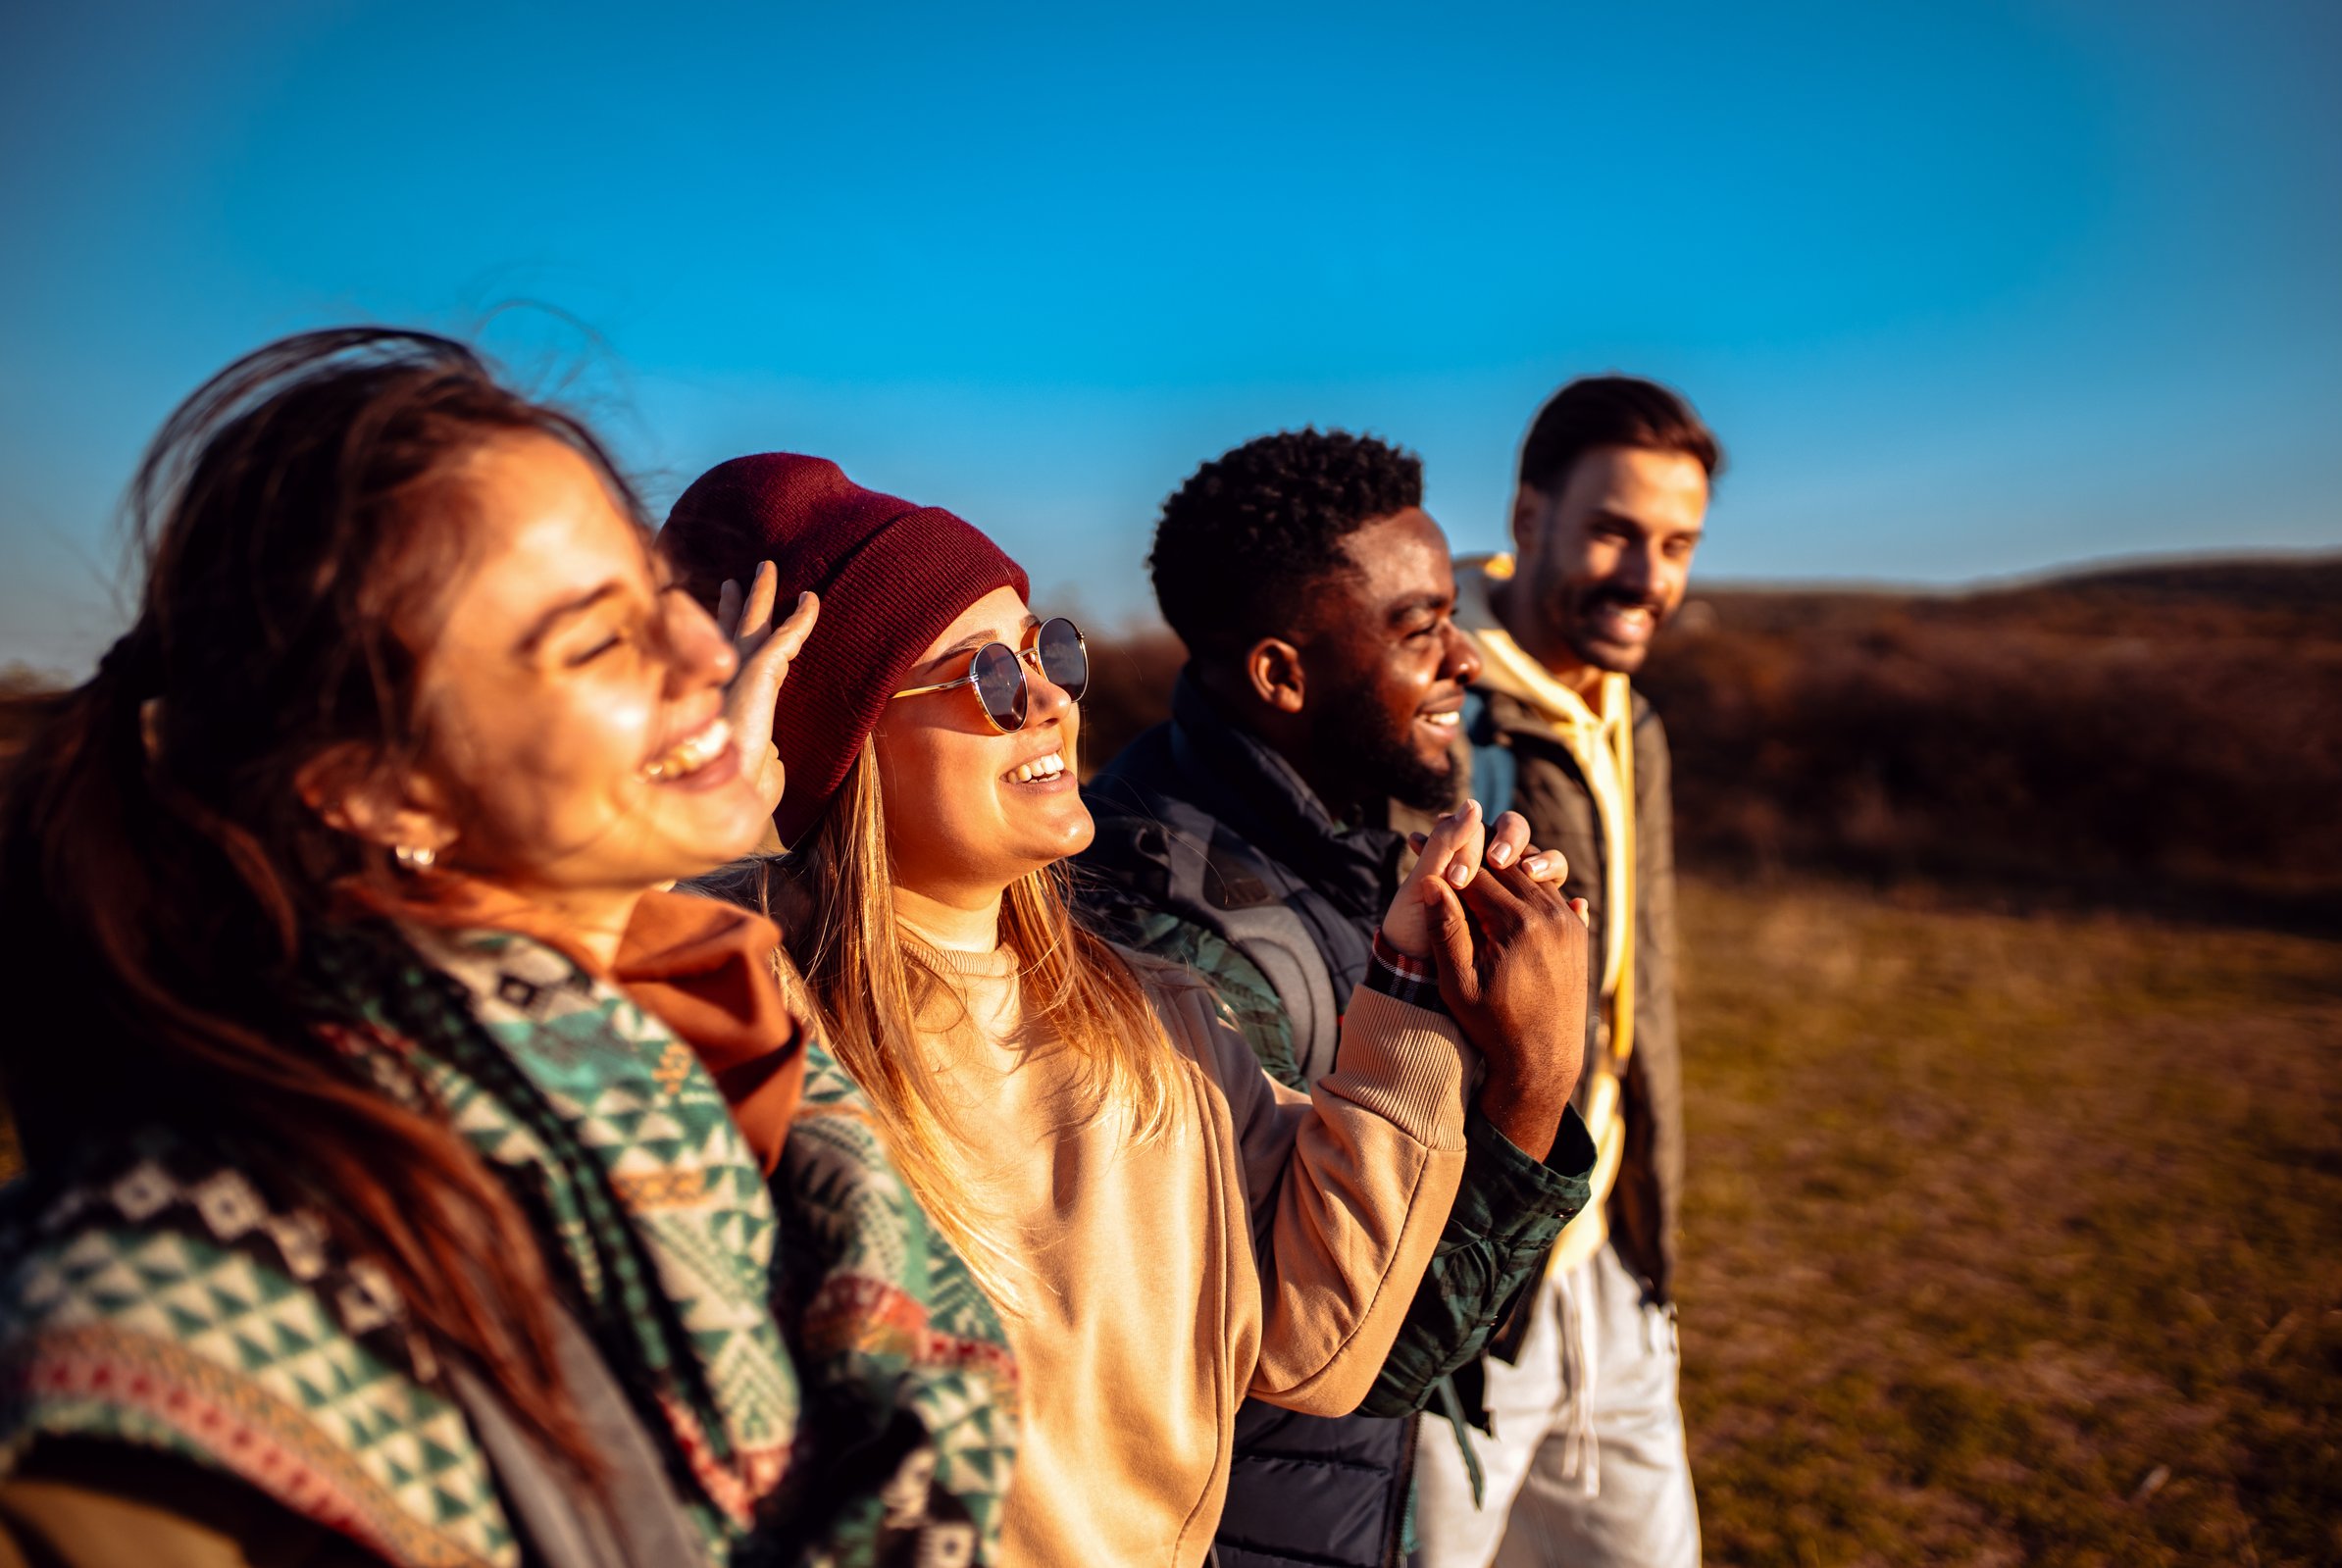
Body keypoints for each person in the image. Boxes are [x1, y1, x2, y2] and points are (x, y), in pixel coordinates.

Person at [0, 329, 1005, 1568]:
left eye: (658, 599)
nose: (711, 654)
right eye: (597, 641)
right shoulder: (181, 1295)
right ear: (380, 792)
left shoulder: (722, 1038)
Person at [659, 453, 1593, 1568]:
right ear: (836, 744)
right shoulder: (740, 1011)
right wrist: (695, 830)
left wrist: (1415, 992)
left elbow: (1318, 1348)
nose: (1053, 698)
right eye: (988, 678)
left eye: (1047, 650)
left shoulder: (1153, 1018)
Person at [1075, 430, 1598, 1568]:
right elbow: (1350, 1351)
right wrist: (1535, 1081)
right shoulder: (1174, 939)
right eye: (1421, 630)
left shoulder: (1338, 840)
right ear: (1280, 675)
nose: (1468, 660)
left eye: (1454, 615)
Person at [1408, 377, 1718, 1568]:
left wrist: (1647, 1249)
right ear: (1528, 517)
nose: (1649, 577)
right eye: (1613, 531)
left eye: (1678, 544)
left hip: (1615, 1277)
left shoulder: (1627, 713)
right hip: (1465, 1300)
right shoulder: (1440, 714)